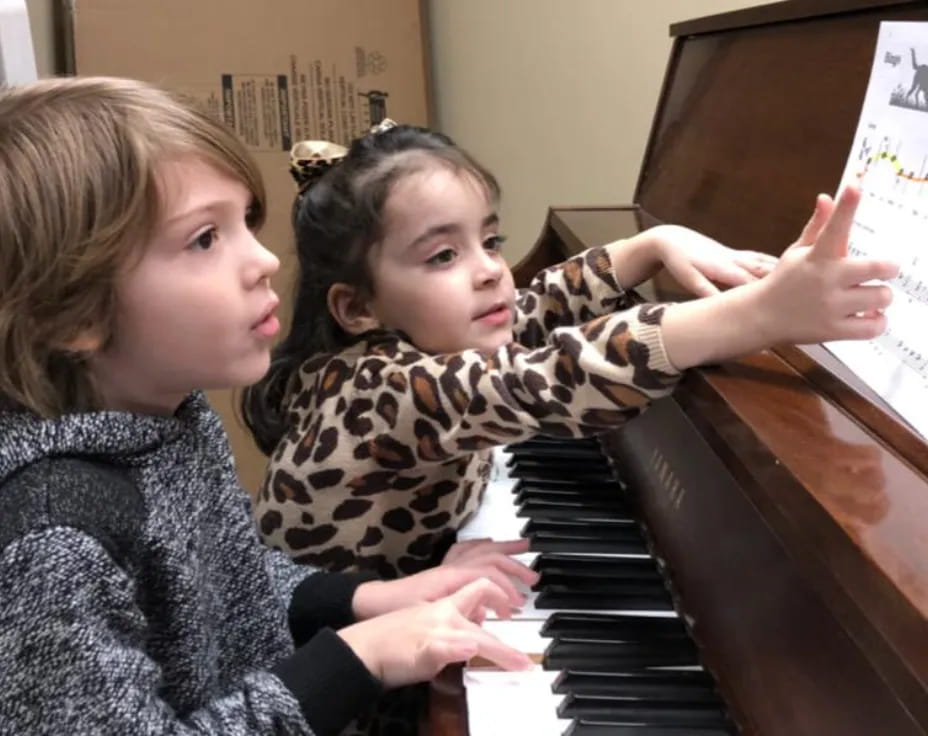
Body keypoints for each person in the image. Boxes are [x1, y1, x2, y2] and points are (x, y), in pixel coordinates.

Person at [0, 77, 537, 736]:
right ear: (72, 313)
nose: (261, 260)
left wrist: (366, 599)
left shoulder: (168, 419)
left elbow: (230, 593)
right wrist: (357, 658)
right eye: (204, 239)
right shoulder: (54, 538)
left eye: (246, 223)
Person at [241, 122, 898, 581]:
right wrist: (757, 314)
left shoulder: (421, 341)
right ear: (359, 308)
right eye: (444, 255)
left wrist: (649, 244)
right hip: (351, 693)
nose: (491, 271)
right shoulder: (374, 395)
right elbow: (541, 379)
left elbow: (533, 310)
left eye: (490, 242)